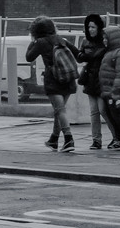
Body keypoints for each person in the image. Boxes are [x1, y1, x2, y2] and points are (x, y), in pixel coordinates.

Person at [24, 17, 79, 152]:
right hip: (68, 79)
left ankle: (68, 139)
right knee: (59, 111)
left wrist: (33, 42)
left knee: (60, 110)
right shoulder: (61, 40)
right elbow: (78, 54)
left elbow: (29, 57)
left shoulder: (41, 42)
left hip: (54, 80)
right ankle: (54, 139)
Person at [76, 13, 106, 138]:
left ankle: (116, 137)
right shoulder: (85, 41)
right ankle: (96, 139)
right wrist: (84, 56)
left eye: (93, 27)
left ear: (99, 28)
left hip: (103, 78)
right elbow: (79, 56)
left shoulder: (105, 40)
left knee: (103, 110)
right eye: (88, 27)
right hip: (90, 78)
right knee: (94, 112)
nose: (90, 30)